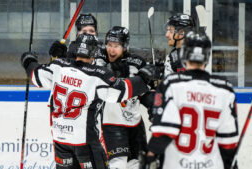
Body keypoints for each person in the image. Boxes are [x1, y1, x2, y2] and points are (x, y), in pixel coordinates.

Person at [20, 34, 158, 169]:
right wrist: (144, 78)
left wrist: (28, 59)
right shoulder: (97, 75)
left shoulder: (57, 66)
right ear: (94, 54)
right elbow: (121, 92)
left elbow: (35, 74)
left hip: (60, 140)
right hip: (85, 141)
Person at [142, 31, 239, 169]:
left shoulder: (172, 84)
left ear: (184, 54)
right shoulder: (224, 89)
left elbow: (164, 132)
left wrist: (149, 157)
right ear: (207, 56)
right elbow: (228, 142)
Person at [96, 26, 148, 169]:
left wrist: (153, 105)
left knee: (137, 165)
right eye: (109, 45)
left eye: (116, 46)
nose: (111, 50)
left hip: (135, 124)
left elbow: (144, 92)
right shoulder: (100, 61)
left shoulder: (137, 63)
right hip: (111, 124)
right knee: (117, 165)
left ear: (125, 46)